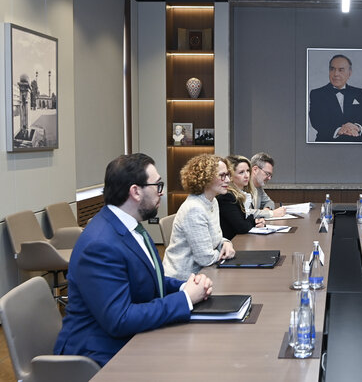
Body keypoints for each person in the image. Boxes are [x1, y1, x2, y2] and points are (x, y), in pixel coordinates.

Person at [53, 153, 213, 366]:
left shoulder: (131, 227)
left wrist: (185, 287)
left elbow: (146, 280)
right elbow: (119, 320)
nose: (161, 192)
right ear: (135, 191)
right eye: (157, 185)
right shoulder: (100, 244)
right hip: (99, 354)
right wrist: (184, 299)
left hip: (129, 338)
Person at [163, 154, 236, 280]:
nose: (228, 180)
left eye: (228, 174)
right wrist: (224, 253)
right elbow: (205, 258)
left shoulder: (213, 201)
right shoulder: (194, 209)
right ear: (206, 178)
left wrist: (226, 243)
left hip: (205, 272)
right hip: (184, 279)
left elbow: (215, 237)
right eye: (222, 175)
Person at [308, 54, 362, 142]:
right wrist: (339, 130)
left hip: (357, 142)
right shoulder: (317, 94)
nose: (336, 74)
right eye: (332, 69)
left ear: (349, 73)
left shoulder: (360, 93)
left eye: (341, 70)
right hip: (328, 143)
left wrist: (357, 127)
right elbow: (316, 120)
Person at [218, 155, 266, 239]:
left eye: (248, 171)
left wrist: (257, 222)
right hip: (232, 243)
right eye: (241, 172)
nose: (247, 175)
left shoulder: (243, 194)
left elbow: (244, 222)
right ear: (231, 176)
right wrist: (253, 220)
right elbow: (242, 227)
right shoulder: (227, 197)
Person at [250, 152, 286, 219]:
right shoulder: (241, 186)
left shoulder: (258, 187)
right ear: (255, 169)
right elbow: (246, 212)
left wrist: (267, 209)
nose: (269, 178)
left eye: (270, 175)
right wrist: (271, 213)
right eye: (267, 174)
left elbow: (269, 202)